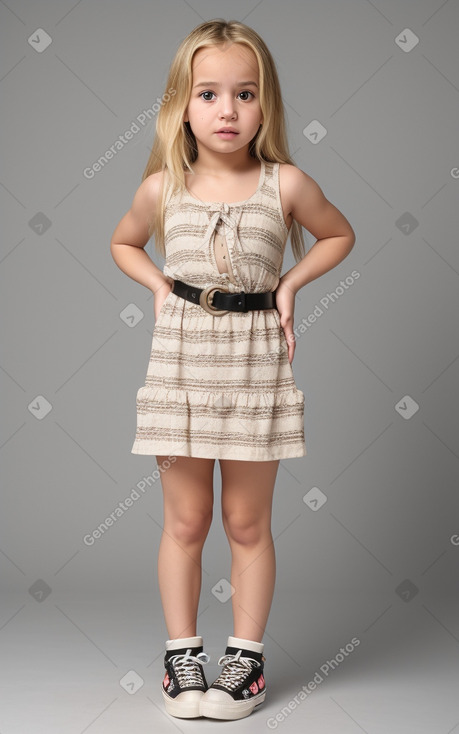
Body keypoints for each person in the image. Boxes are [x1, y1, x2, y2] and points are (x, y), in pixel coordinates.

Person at [110, 18, 355, 722]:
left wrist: (289, 285)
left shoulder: (286, 183)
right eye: (209, 93)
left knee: (247, 521)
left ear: (265, 104)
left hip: (253, 361)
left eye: (245, 94)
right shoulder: (164, 187)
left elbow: (338, 232)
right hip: (182, 362)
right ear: (181, 104)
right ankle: (182, 656)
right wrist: (158, 286)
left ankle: (243, 661)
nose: (228, 110)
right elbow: (124, 242)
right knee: (184, 520)